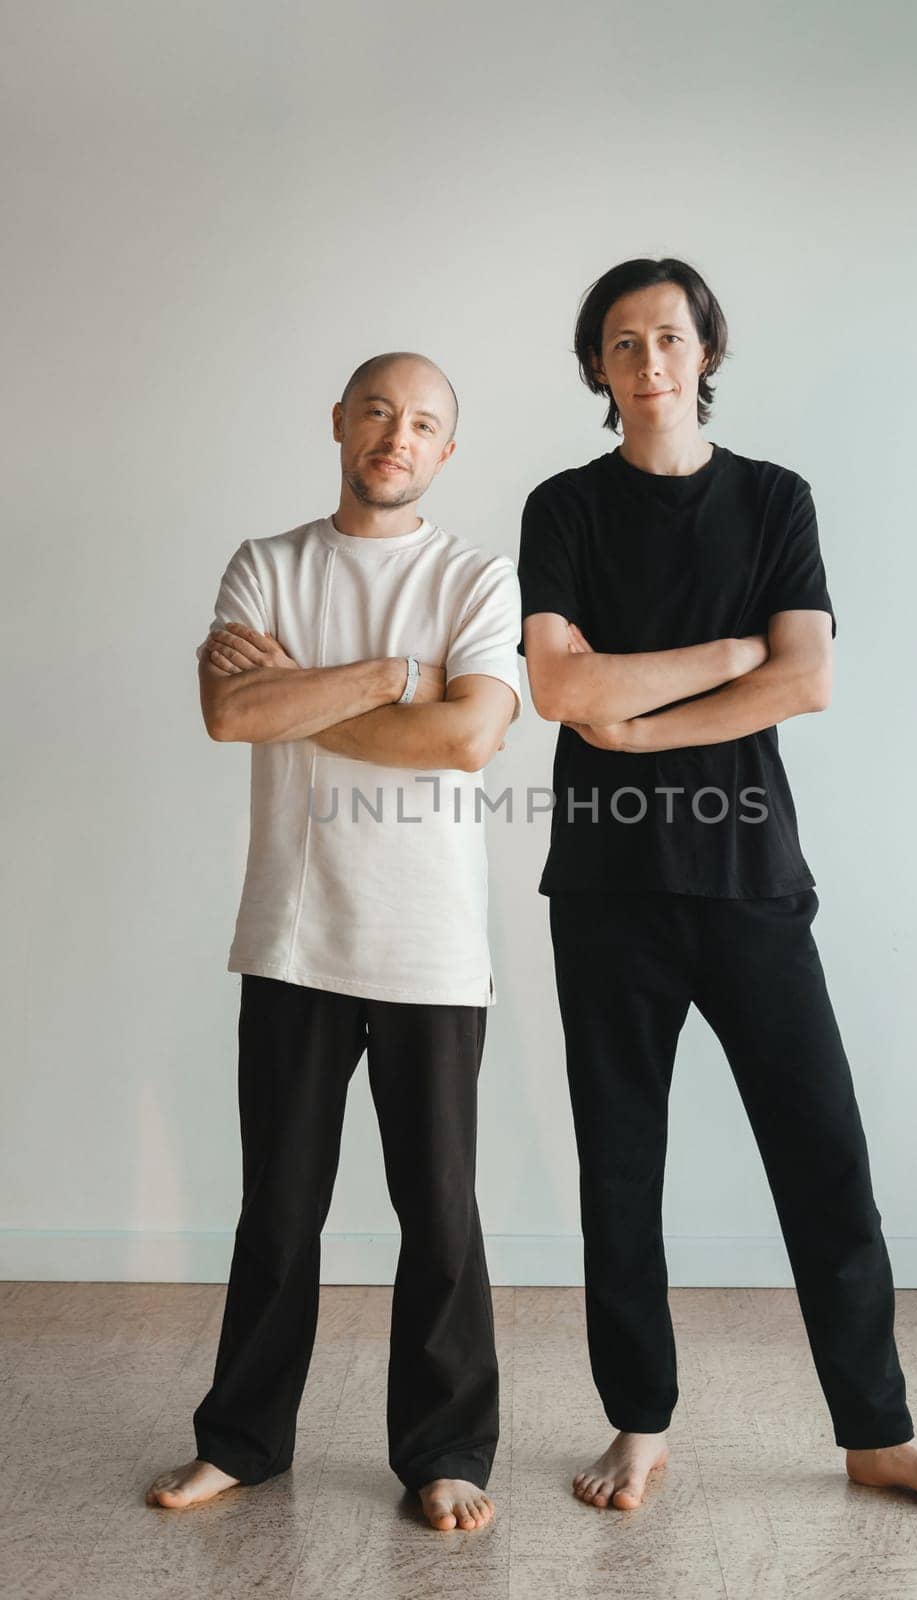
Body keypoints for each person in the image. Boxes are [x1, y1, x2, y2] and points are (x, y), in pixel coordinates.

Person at [517, 257, 917, 1523]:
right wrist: (725, 653)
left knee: (824, 1157)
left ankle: (876, 1431)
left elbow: (806, 681)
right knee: (620, 1172)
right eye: (620, 342)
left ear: (705, 353)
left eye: (667, 336)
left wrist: (644, 718)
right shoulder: (559, 507)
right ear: (595, 369)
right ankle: (638, 1422)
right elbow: (561, 693)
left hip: (749, 881)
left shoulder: (774, 498)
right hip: (608, 889)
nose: (647, 360)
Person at [146, 352, 521, 1533]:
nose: (394, 436)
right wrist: (391, 677)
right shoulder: (269, 564)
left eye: (420, 423)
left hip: (431, 944)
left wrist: (308, 698)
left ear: (444, 450)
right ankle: (243, 1442)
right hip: (292, 940)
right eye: (376, 412)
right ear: (340, 423)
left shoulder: (476, 576)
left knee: (441, 1213)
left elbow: (467, 740)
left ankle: (446, 1451)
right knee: (278, 1210)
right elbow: (228, 712)